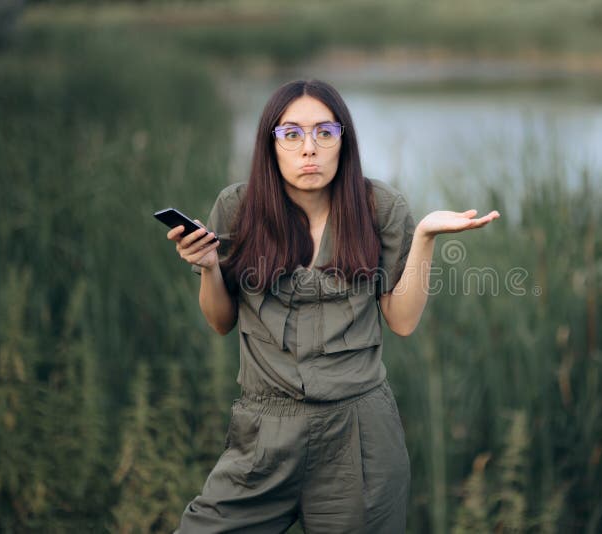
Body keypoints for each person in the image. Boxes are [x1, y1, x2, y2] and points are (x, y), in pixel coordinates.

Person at [167, 79, 500, 533]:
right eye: (292, 134)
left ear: (344, 141)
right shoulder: (237, 208)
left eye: (325, 132)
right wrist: (208, 266)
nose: (310, 148)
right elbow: (221, 321)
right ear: (271, 144)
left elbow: (401, 323)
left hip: (359, 437)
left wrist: (424, 238)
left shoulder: (380, 207)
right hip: (264, 431)